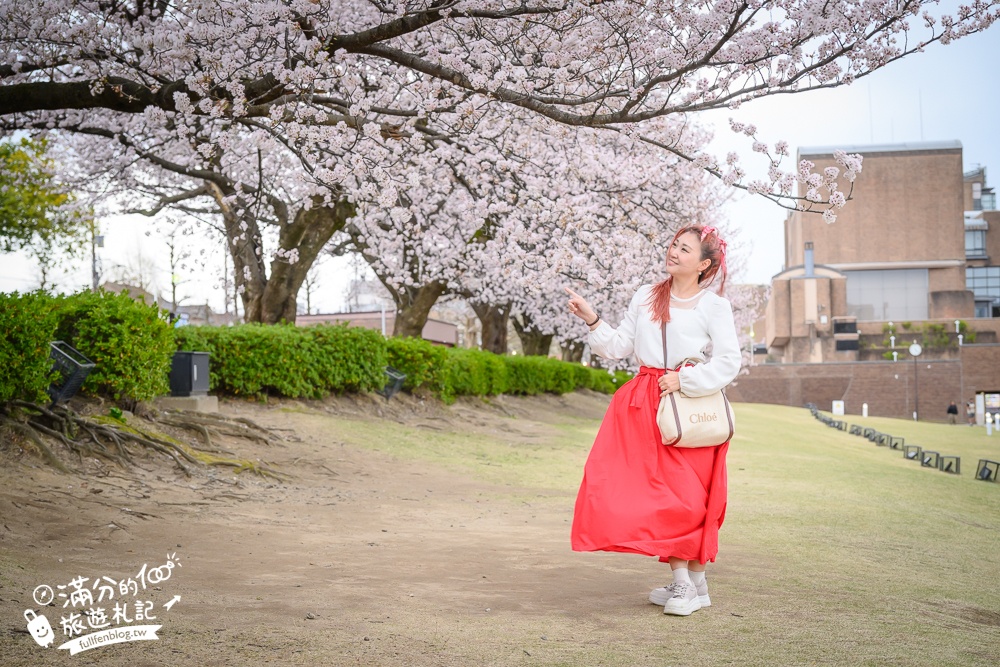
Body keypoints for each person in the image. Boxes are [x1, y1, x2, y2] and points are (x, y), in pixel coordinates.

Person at [564, 224, 741, 617]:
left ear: (704, 264)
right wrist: (593, 319)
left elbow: (729, 360)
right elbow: (619, 347)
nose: (674, 252)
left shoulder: (713, 306)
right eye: (674, 245)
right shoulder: (646, 296)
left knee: (689, 498)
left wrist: (686, 378)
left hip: (687, 406)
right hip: (644, 403)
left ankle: (689, 583)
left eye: (685, 249)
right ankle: (690, 584)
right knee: (652, 494)